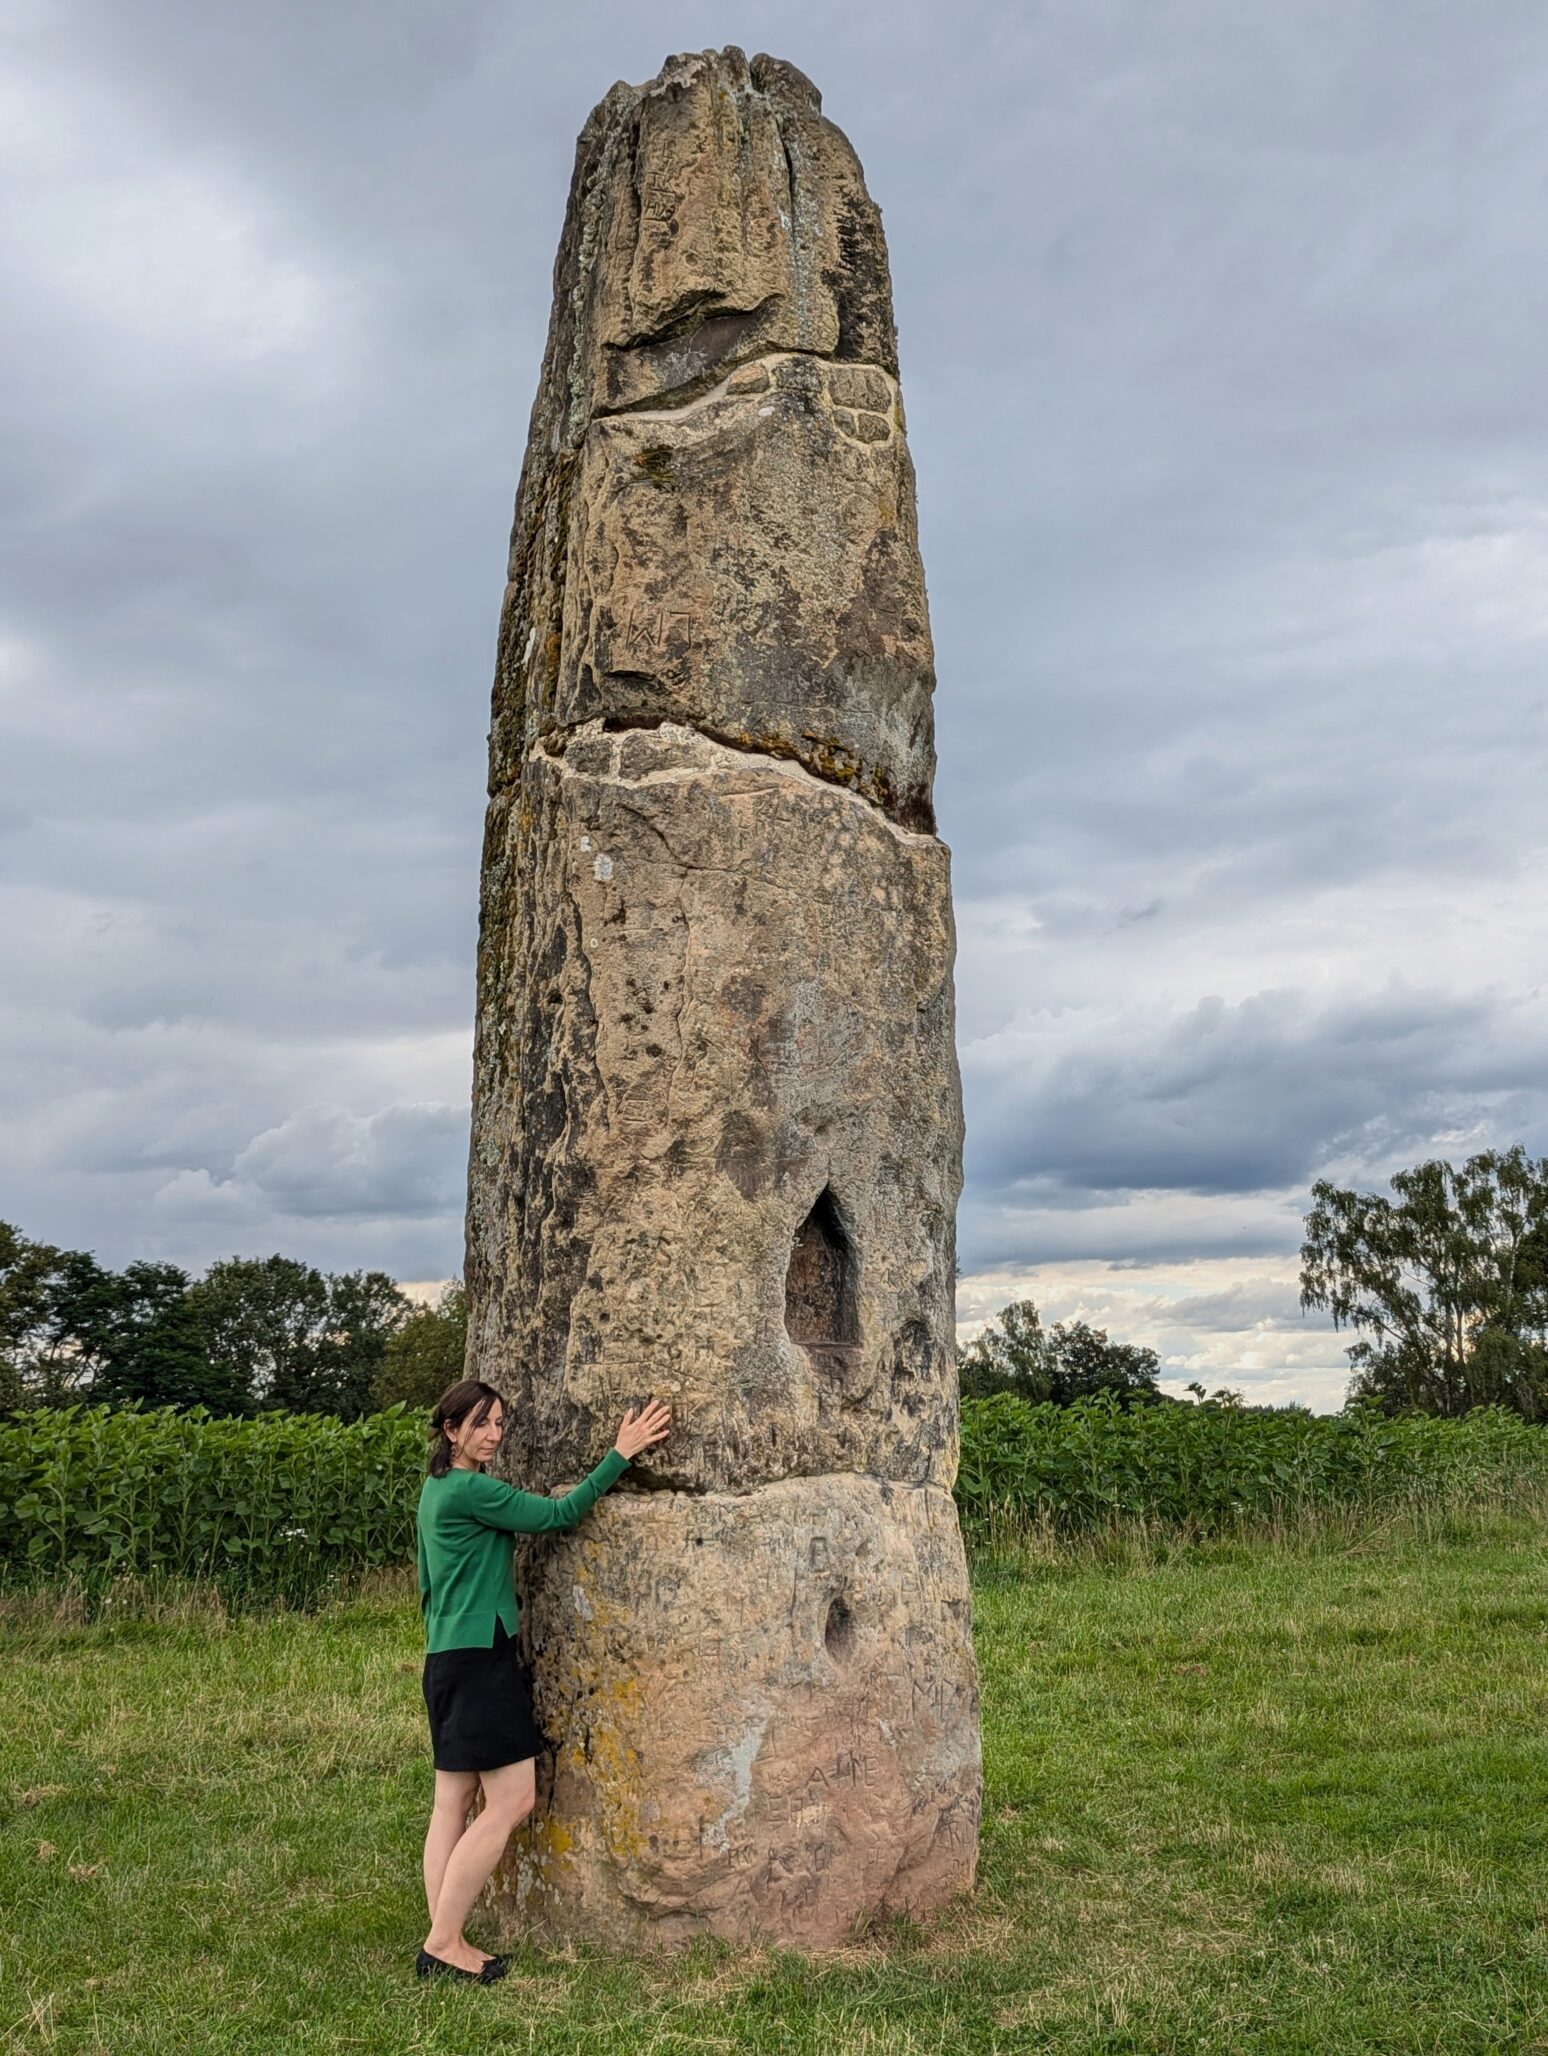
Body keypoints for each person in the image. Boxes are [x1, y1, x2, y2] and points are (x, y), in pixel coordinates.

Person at [415, 1377, 671, 1983]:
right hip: (480, 1660)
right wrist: (620, 1453)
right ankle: (444, 1944)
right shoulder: (472, 1490)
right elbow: (560, 1514)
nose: (494, 1435)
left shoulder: (435, 1490)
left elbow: (426, 1581)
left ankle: (443, 1935)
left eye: (500, 1423)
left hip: (445, 1658)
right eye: (481, 1424)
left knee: (452, 1802)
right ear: (452, 1431)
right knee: (513, 1799)